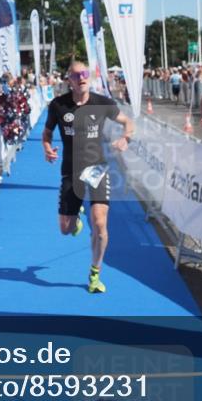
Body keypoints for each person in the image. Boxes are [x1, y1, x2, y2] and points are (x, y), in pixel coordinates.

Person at [43, 61, 134, 294]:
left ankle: (95, 273)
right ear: (69, 80)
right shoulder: (58, 105)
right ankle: (76, 220)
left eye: (84, 74)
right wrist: (47, 147)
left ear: (90, 77)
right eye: (76, 75)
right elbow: (47, 133)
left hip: (97, 170)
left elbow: (128, 123)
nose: (81, 78)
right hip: (70, 173)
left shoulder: (102, 103)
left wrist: (126, 138)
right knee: (65, 229)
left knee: (100, 223)